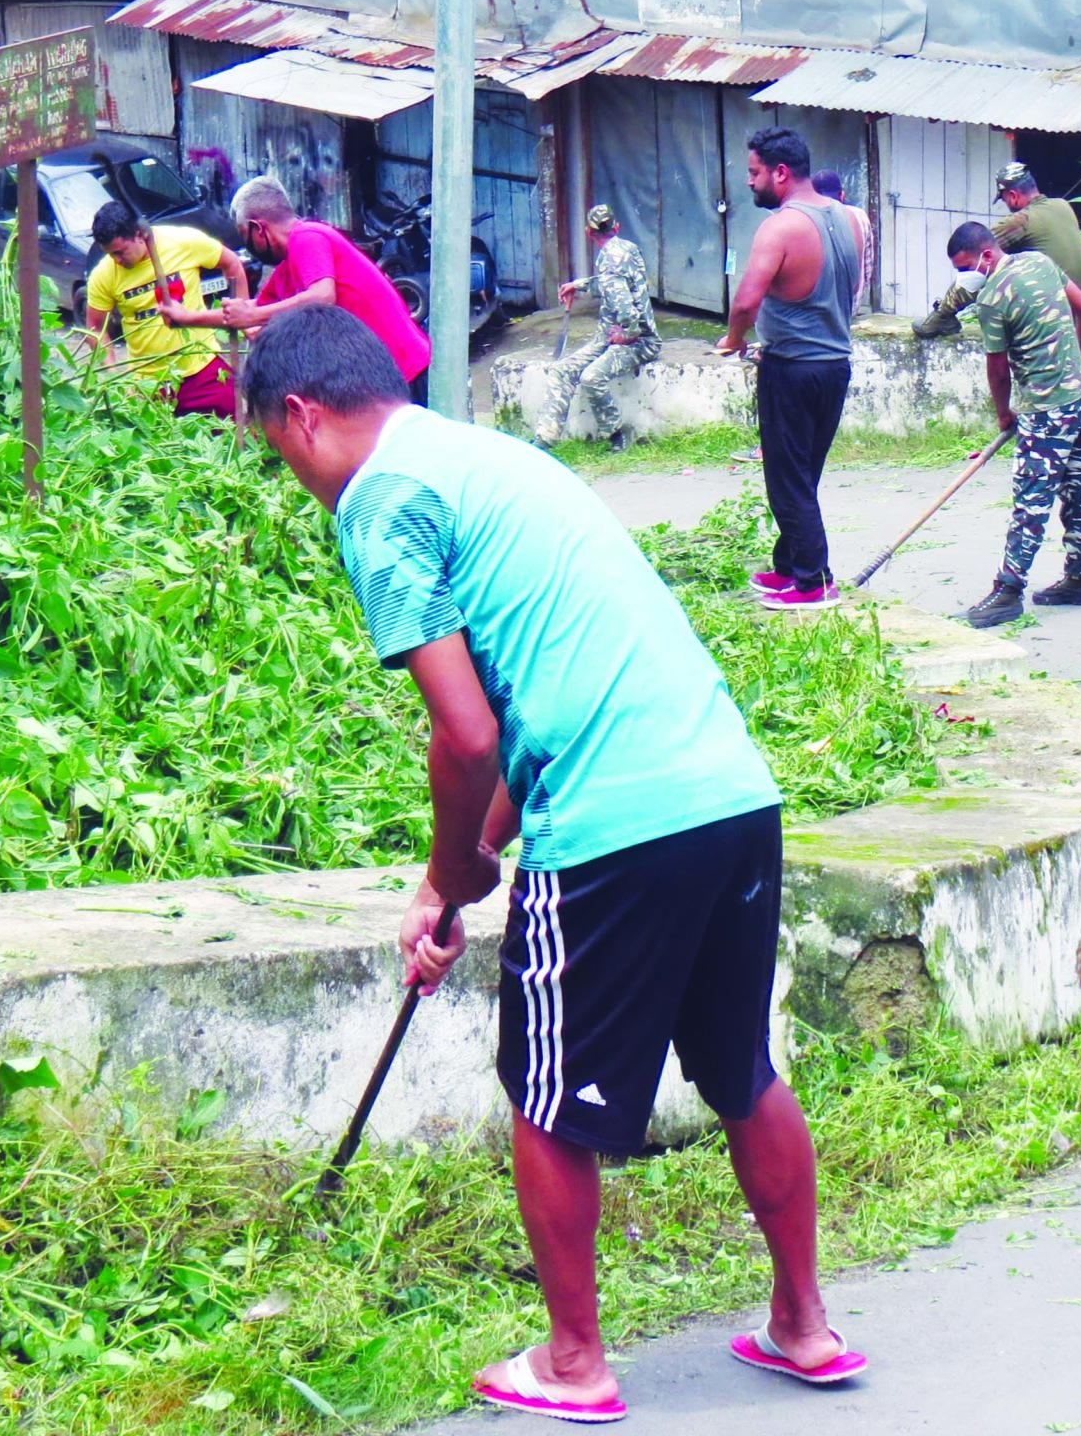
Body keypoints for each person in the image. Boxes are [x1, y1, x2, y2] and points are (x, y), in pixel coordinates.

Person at [241, 305, 866, 1419]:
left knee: (545, 1097)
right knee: (739, 1069)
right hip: (729, 793)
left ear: (299, 416)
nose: (298, 481)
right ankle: (803, 1326)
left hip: (613, 828)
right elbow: (544, 698)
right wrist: (459, 874)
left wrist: (455, 874)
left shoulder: (380, 500)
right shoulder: (481, 458)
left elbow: (470, 735)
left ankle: (574, 1363)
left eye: (280, 456)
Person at [720, 128, 859, 609]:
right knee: (804, 473)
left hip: (793, 368)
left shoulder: (780, 227)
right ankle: (789, 566)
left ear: (781, 173)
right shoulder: (846, 218)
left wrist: (734, 339)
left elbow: (746, 301)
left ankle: (814, 582)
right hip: (836, 364)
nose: (749, 182)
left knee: (786, 477)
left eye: (754, 173)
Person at [948, 220, 1081, 628]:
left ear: (986, 255)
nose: (966, 278)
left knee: (1032, 501)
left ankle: (1008, 591)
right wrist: (1080, 360)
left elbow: (997, 369)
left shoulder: (992, 299)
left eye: (966, 267)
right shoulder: (1039, 261)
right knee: (1078, 492)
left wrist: (1004, 413)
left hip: (1046, 409)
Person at [223, 176, 434, 407]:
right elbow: (251, 310)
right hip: (379, 378)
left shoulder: (307, 236)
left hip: (405, 371)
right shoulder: (288, 266)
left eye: (245, 235)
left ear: (258, 228)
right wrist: (186, 317)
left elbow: (323, 296)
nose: (249, 246)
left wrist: (252, 318)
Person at [80, 200, 248, 419]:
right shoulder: (104, 274)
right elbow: (94, 326)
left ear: (139, 234)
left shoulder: (183, 241)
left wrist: (243, 315)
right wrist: (112, 373)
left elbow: (232, 263)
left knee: (239, 433)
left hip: (202, 369)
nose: (117, 260)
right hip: (150, 385)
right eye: (111, 254)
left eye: (121, 252)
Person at [910, 163, 1081, 340]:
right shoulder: (1063, 206)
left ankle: (942, 317)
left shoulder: (1020, 221)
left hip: (1052, 320)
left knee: (983, 265)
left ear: (1012, 196)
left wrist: (943, 311)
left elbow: (977, 258)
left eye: (1003, 199)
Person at [542, 204, 661, 452]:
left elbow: (624, 305)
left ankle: (617, 432)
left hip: (640, 342)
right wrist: (580, 285)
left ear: (588, 232)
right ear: (616, 227)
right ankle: (546, 437)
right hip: (608, 339)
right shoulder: (628, 248)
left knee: (590, 377)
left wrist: (627, 333)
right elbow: (614, 283)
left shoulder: (608, 260)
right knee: (561, 370)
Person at [811, 168, 875, 305]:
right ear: (842, 195)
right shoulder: (860, 216)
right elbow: (867, 268)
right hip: (851, 306)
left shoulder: (809, 221)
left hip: (820, 312)